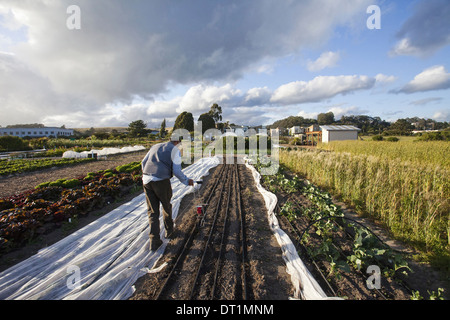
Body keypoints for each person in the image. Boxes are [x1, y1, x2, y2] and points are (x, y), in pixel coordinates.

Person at [141, 136, 194, 251]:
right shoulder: (174, 150)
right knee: (166, 206)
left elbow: (143, 162)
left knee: (152, 211)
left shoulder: (155, 146)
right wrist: (186, 181)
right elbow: (176, 171)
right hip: (161, 181)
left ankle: (154, 241)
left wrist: (147, 175)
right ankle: (169, 232)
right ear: (176, 141)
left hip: (146, 180)